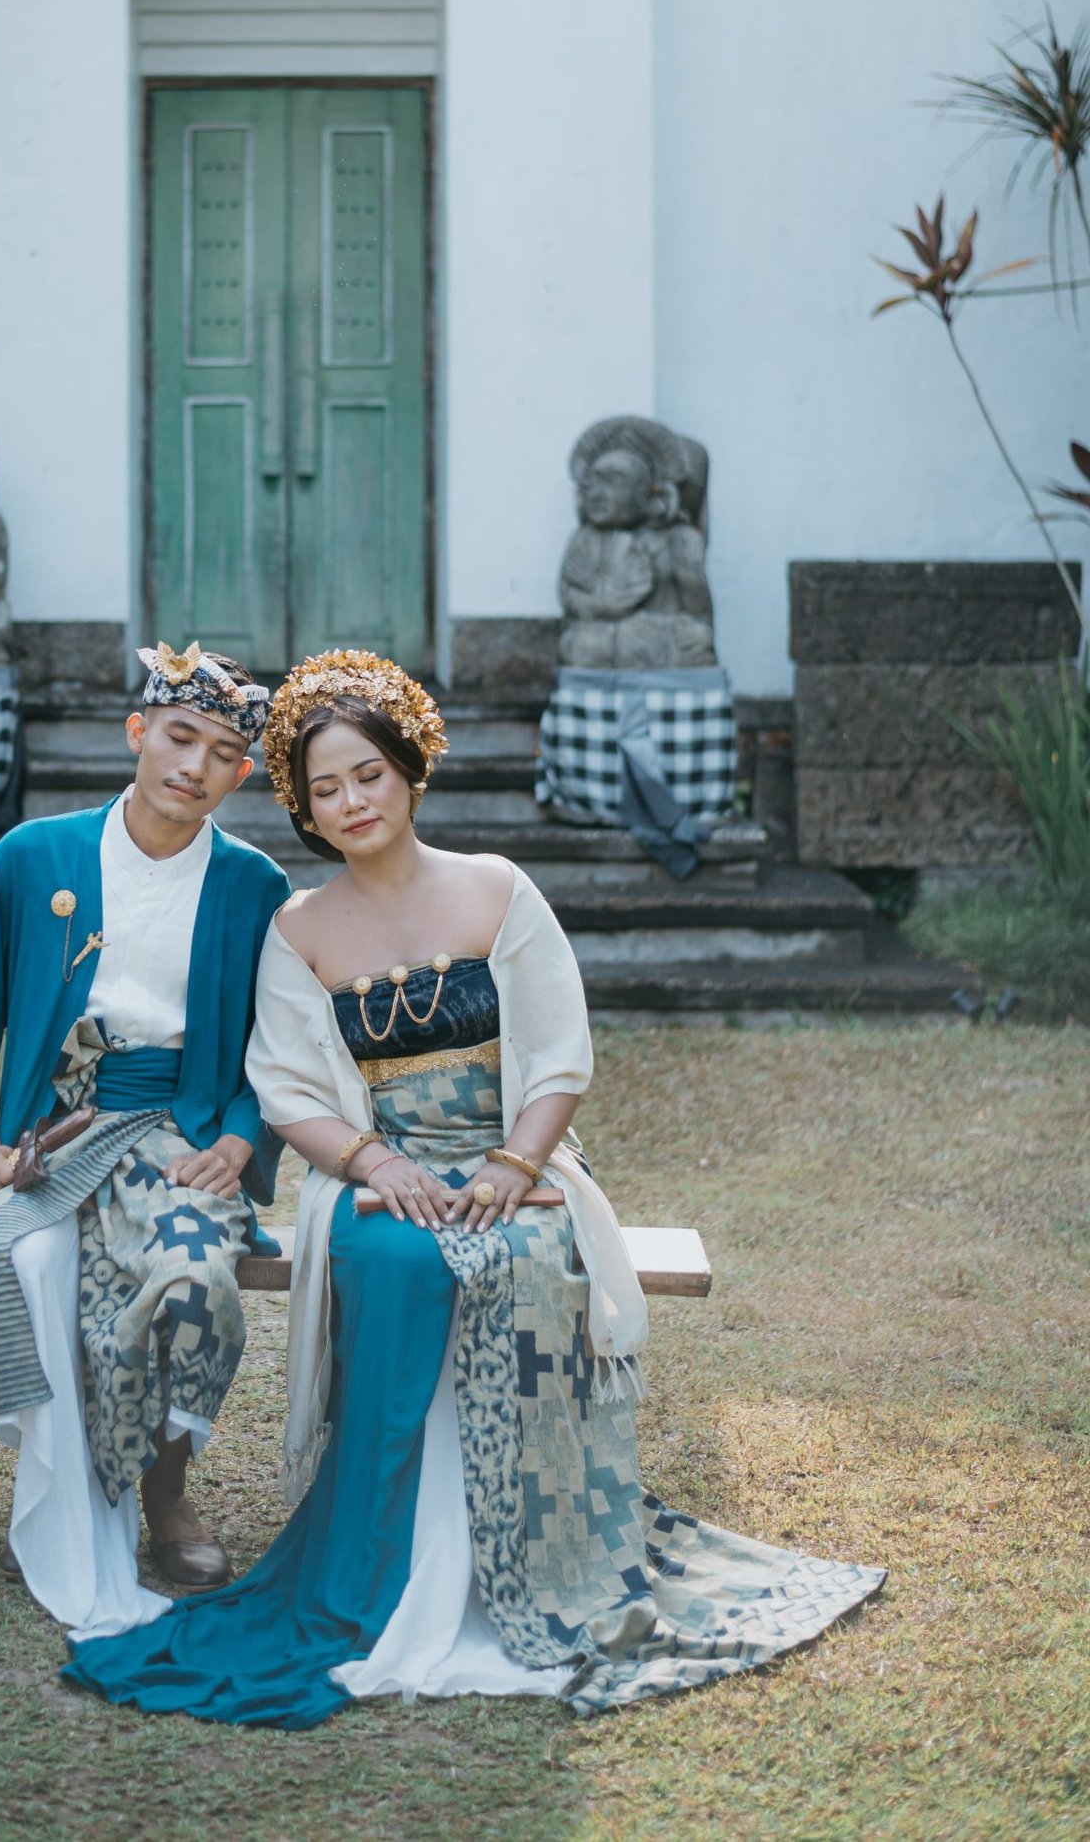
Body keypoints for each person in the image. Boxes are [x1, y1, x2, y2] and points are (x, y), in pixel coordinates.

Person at [63, 649, 884, 1724]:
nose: (351, 801)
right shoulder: (297, 928)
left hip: (515, 1159)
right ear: (304, 807)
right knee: (395, 1256)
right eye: (324, 787)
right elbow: (288, 1088)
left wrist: (515, 1163)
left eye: (368, 774)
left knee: (527, 1251)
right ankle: (384, 1565)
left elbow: (559, 1055)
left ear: (410, 768)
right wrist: (374, 1161)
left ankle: (534, 1557)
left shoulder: (498, 888)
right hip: (378, 1169)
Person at [0, 640, 289, 1635]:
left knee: (192, 1275)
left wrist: (242, 1140)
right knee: (22, 1258)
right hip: (50, 1130)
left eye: (223, 753)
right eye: (179, 736)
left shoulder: (254, 886)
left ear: (241, 774)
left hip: (179, 1127)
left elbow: (276, 1043)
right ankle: (51, 1489)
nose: (194, 766)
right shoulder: (30, 856)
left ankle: (163, 1491)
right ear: (138, 731)